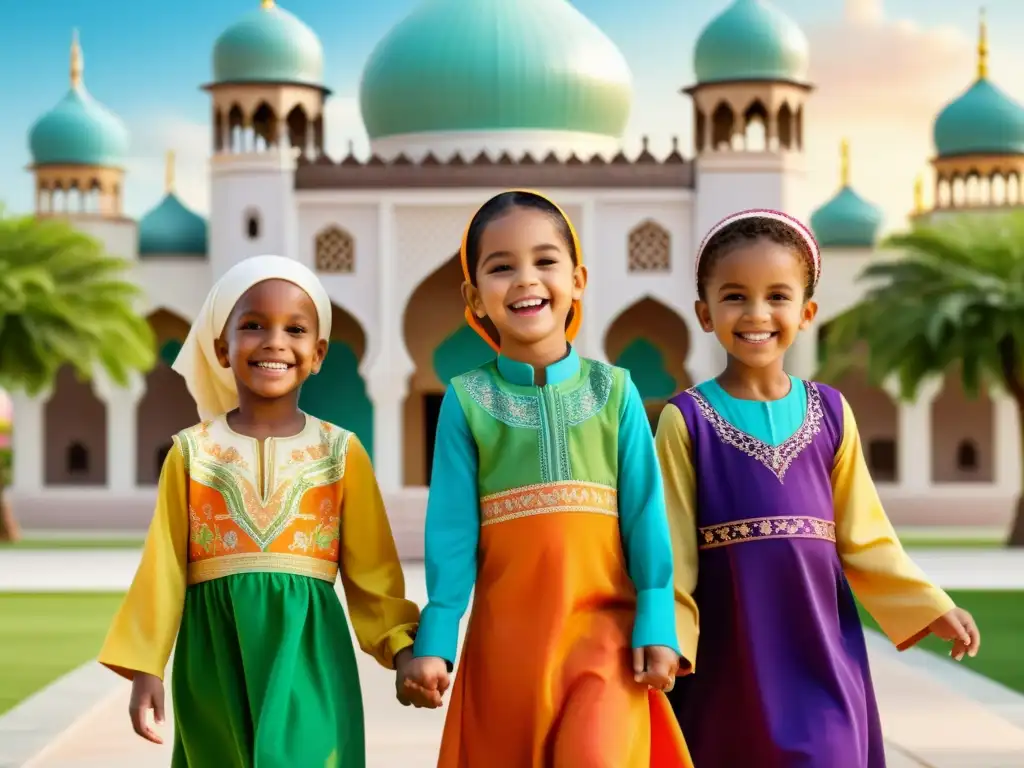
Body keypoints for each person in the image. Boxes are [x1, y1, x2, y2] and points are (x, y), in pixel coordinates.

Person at [657, 209, 982, 767]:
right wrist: (668, 641)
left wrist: (929, 605)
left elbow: (866, 536)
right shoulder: (685, 419)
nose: (757, 313)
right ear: (704, 313)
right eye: (734, 296)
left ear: (807, 313)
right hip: (730, 661)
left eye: (777, 296)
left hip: (821, 651)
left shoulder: (831, 412)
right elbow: (672, 556)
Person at [399, 189, 692, 767]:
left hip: (607, 643)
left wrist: (658, 620)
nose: (524, 279)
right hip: (507, 652)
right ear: (474, 297)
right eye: (501, 266)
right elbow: (452, 535)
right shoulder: (468, 400)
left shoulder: (615, 392)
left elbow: (645, 518)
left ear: (578, 279)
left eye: (545, 261)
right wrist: (436, 640)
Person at [98, 255, 425, 767]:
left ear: (317, 353)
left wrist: (403, 651)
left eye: (294, 328)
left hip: (310, 654)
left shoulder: (340, 451)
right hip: (214, 656)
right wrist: (147, 668)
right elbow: (162, 566)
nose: (274, 341)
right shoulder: (192, 452)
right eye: (253, 325)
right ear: (222, 348)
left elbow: (373, 574)